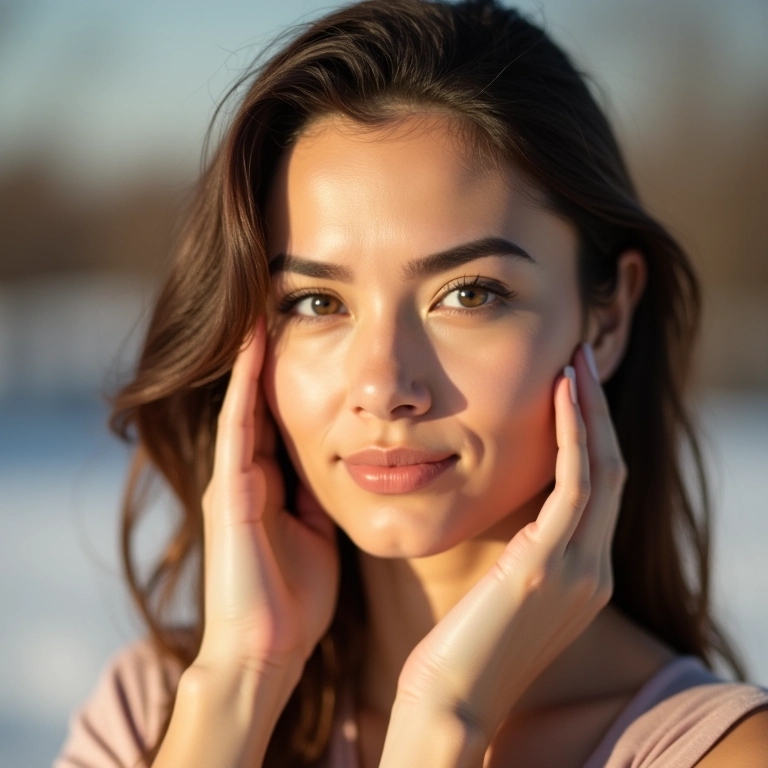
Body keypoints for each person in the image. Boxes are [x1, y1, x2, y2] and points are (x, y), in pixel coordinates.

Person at [54, 1, 768, 766]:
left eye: (469, 294)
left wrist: (445, 718)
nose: (385, 386)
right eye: (317, 302)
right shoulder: (155, 717)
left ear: (609, 316)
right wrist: (238, 684)